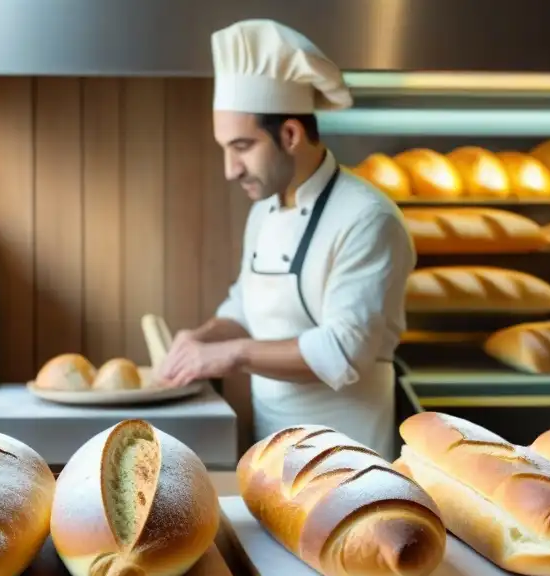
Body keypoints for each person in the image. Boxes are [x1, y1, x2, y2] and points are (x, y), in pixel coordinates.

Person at [157, 19, 414, 461]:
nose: (230, 169)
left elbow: (342, 353)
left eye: (241, 147)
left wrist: (230, 355)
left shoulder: (368, 219)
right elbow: (246, 305)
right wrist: (200, 339)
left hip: (349, 457)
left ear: (290, 135)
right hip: (273, 449)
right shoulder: (264, 211)